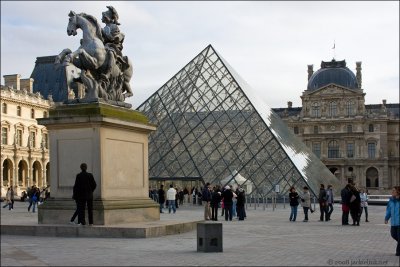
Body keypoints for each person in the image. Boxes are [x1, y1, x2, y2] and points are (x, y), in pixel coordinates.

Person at [384, 186, 400, 256]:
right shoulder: (391, 201)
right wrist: (386, 218)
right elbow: (389, 210)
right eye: (392, 190)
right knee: (393, 235)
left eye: (394, 191)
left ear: (398, 192)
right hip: (393, 222)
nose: (392, 192)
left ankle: (398, 252)